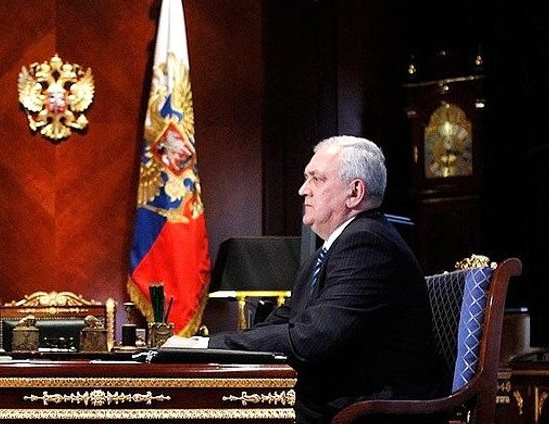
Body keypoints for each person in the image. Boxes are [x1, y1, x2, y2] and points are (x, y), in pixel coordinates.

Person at [163, 135, 446, 423]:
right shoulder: (329, 251)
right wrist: (202, 345)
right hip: (331, 401)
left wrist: (203, 348)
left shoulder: (367, 244)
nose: (302, 190)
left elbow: (311, 339)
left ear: (355, 192)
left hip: (372, 411)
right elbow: (280, 324)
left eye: (316, 179)